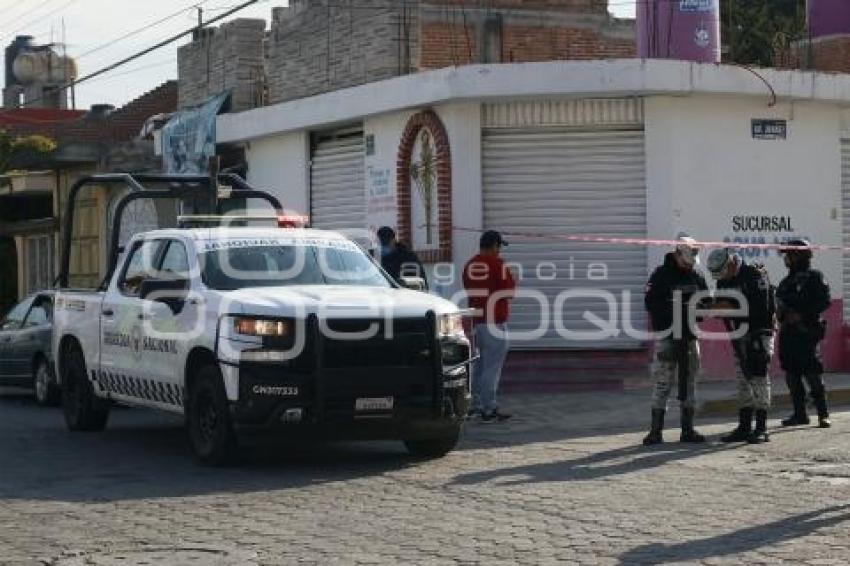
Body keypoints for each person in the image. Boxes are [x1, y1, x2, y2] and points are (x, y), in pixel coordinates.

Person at [643, 233, 709, 446]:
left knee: (689, 383)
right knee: (662, 384)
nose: (688, 265)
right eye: (686, 261)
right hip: (668, 337)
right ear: (677, 254)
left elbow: (705, 303)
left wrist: (694, 312)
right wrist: (674, 315)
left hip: (689, 337)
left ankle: (688, 430)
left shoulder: (696, 275)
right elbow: (651, 304)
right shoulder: (661, 275)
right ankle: (655, 431)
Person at [707, 249, 775, 444]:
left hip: (759, 332)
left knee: (759, 377)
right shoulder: (723, 280)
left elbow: (763, 310)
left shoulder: (755, 275)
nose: (721, 278)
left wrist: (733, 308)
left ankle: (761, 428)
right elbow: (721, 307)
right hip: (738, 335)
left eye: (722, 272)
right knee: (742, 379)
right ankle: (744, 426)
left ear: (730, 264)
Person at [776, 238, 832, 428]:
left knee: (813, 375)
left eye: (790, 255)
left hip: (806, 333)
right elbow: (778, 305)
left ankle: (823, 414)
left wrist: (802, 314)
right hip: (788, 335)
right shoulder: (785, 282)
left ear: (799, 255)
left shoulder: (815, 277)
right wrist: (784, 314)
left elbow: (824, 301)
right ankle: (800, 415)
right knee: (792, 376)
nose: (787, 259)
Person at [462, 230, 516, 423]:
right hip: (495, 322)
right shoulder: (498, 264)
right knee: (492, 368)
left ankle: (473, 406)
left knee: (480, 366)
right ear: (494, 245)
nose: (500, 250)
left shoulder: (469, 265)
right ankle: (489, 408)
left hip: (477, 322)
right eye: (499, 246)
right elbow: (509, 292)